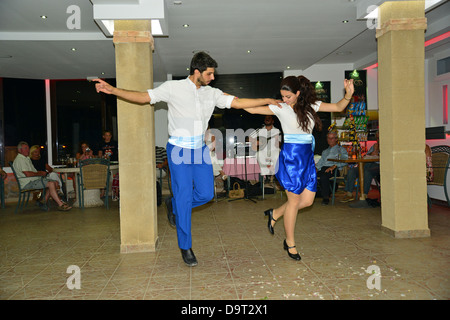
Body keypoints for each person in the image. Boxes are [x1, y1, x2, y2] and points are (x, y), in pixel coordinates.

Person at [93, 51, 280, 267]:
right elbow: (144, 97)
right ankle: (186, 246)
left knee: (206, 193)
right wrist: (112, 90)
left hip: (199, 150)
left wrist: (268, 100)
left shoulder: (212, 93)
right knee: (184, 198)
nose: (212, 78)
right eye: (209, 74)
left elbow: (239, 103)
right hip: (178, 151)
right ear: (197, 71)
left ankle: (174, 205)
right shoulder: (173, 88)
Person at [244, 75, 354, 260]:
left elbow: (338, 107)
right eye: (282, 96)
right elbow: (251, 109)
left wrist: (348, 95)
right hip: (291, 159)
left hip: (307, 159)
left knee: (308, 201)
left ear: (297, 93)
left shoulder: (312, 106)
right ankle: (290, 243)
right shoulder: (281, 108)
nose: (284, 100)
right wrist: (232, 102)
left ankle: (276, 213)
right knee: (294, 202)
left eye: (288, 96)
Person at [13, 141, 72, 211]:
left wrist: (41, 174)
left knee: (55, 182)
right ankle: (60, 204)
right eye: (25, 148)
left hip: (33, 180)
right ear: (20, 150)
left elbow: (38, 171)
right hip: (28, 182)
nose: (27, 150)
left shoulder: (26, 158)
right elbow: (28, 174)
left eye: (28, 148)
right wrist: (40, 173)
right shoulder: (20, 159)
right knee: (51, 183)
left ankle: (43, 201)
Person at [342, 131, 380, 205]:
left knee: (367, 172)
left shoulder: (387, 145)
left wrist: (377, 152)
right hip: (368, 163)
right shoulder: (375, 145)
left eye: (379, 138)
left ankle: (364, 195)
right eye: (377, 138)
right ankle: (349, 193)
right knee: (352, 170)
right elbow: (367, 155)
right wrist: (372, 152)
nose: (378, 140)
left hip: (378, 165)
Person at [315, 131, 349, 205]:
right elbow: (321, 162)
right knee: (310, 174)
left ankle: (325, 198)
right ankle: (310, 194)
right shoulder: (325, 151)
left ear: (336, 139)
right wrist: (316, 168)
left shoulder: (341, 149)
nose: (330, 140)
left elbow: (346, 161)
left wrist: (334, 166)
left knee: (324, 176)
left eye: (332, 138)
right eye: (328, 138)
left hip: (335, 169)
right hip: (324, 168)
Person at [249, 115, 281, 186]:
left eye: (269, 118)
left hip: (274, 150)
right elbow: (248, 138)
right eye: (266, 118)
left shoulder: (277, 131)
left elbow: (278, 145)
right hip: (263, 150)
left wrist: (276, 140)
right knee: (258, 154)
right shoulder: (259, 130)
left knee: (277, 155)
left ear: (272, 121)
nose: (267, 119)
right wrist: (255, 141)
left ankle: (274, 175)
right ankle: (266, 176)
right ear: (264, 121)